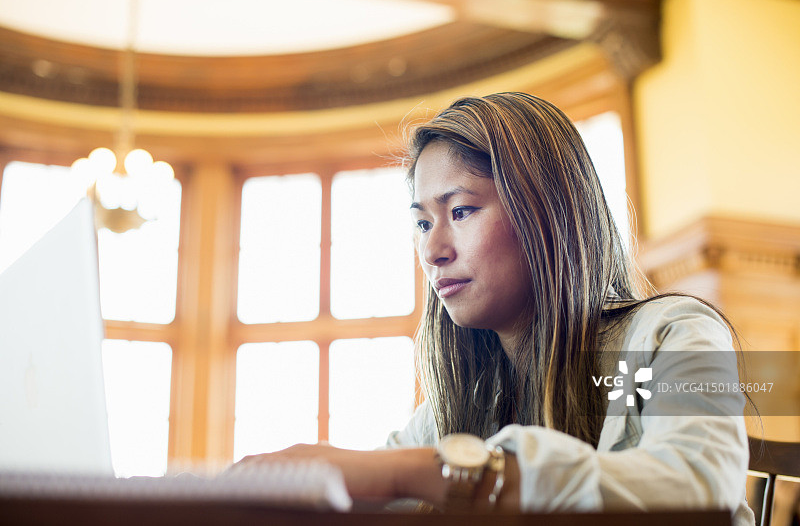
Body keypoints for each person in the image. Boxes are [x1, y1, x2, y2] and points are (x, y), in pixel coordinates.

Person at [235, 92, 755, 524]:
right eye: (422, 223)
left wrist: (422, 473)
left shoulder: (672, 335)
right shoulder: (466, 389)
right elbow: (369, 487)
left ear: (545, 212)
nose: (433, 250)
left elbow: (699, 487)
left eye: (460, 211)